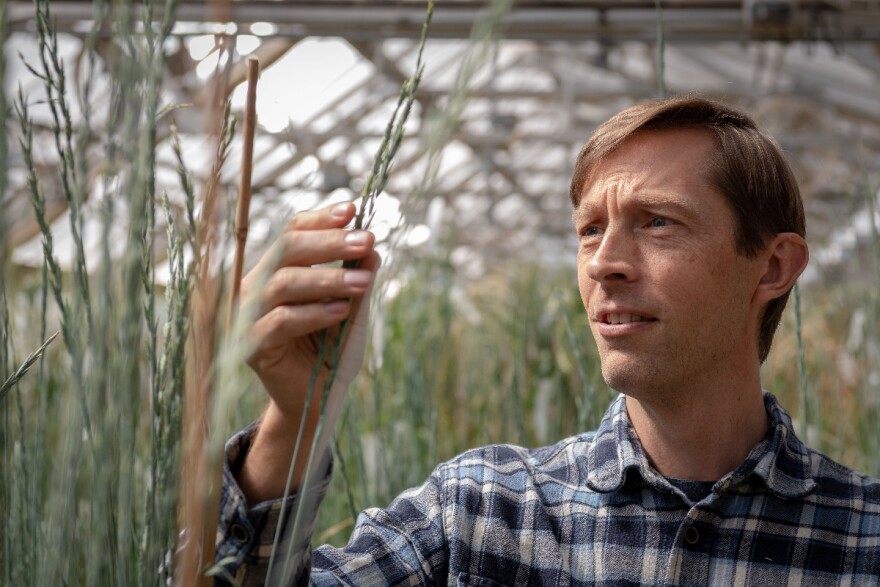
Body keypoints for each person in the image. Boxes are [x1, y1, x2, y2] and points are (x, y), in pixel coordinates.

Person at [215, 96, 880, 586]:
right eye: (590, 230)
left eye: (657, 222)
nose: (604, 263)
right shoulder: (480, 513)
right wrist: (296, 420)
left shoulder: (861, 537)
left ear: (771, 266)